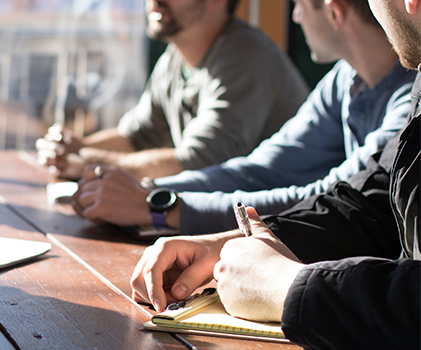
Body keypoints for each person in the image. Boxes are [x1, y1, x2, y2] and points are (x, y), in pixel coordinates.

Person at [130, 0, 420, 347]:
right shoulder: (361, 80)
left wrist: (288, 284)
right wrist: (241, 242)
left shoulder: (245, 53)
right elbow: (371, 201)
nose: (294, 17)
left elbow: (207, 155)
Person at [72, 0, 415, 235]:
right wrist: (152, 190)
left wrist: (159, 205)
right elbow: (262, 169)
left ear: (334, 12)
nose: (294, 17)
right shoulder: (346, 79)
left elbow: (329, 199)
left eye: (297, 4)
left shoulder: (410, 101)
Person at [36, 0, 309, 180]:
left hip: (276, 229)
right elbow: (136, 136)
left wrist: (87, 161)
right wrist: (72, 147)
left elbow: (198, 163)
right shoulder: (175, 57)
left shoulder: (245, 56)